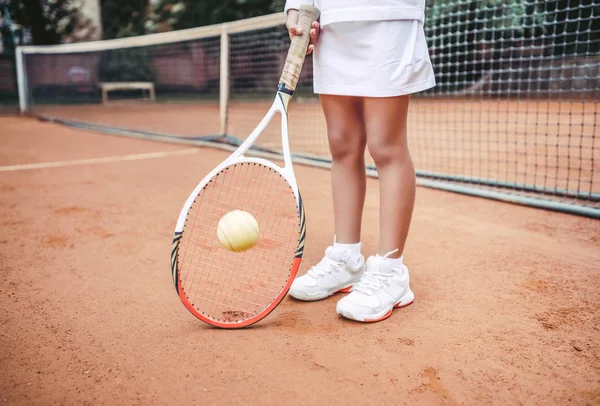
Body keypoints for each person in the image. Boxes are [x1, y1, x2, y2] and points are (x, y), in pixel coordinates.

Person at [284, 0, 436, 322]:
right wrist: (297, 7)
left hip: (388, 18)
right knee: (342, 145)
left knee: (386, 147)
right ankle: (346, 259)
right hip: (333, 24)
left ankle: (391, 271)